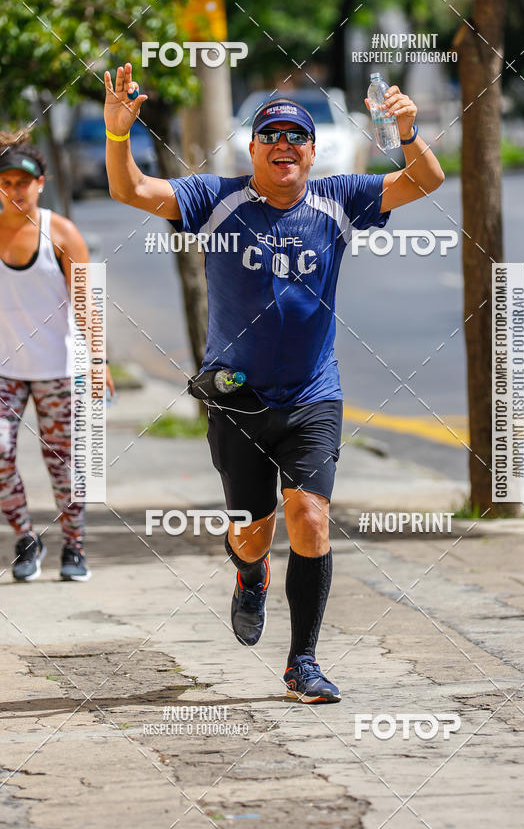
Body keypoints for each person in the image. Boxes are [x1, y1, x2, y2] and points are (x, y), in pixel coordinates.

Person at [104, 63, 444, 702]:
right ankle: (250, 573)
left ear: (313, 152)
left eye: (296, 137)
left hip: (315, 393)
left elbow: (427, 178)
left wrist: (406, 129)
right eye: (271, 136)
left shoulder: (339, 199)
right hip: (239, 399)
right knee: (253, 529)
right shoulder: (216, 198)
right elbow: (132, 192)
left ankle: (302, 663)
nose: (284, 145)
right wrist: (118, 136)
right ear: (252, 149)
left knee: (310, 520)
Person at [0, 129, 114, 582]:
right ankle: (26, 539)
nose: (14, 191)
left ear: (40, 183)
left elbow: (88, 303)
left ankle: (74, 547)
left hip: (57, 370)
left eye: (22, 182)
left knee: (64, 464)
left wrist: (98, 361)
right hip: (4, 372)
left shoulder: (61, 233)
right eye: (5, 182)